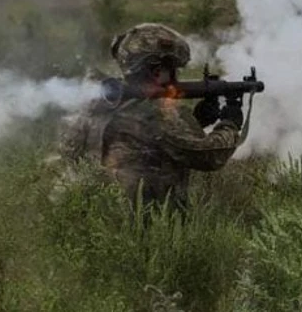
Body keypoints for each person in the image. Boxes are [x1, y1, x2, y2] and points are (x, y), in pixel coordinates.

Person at [57, 22, 244, 218]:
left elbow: (151, 144)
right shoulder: (151, 113)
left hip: (94, 218)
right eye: (170, 69)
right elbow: (206, 156)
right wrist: (229, 124)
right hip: (141, 224)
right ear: (155, 71)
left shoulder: (101, 102)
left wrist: (196, 120)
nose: (175, 77)